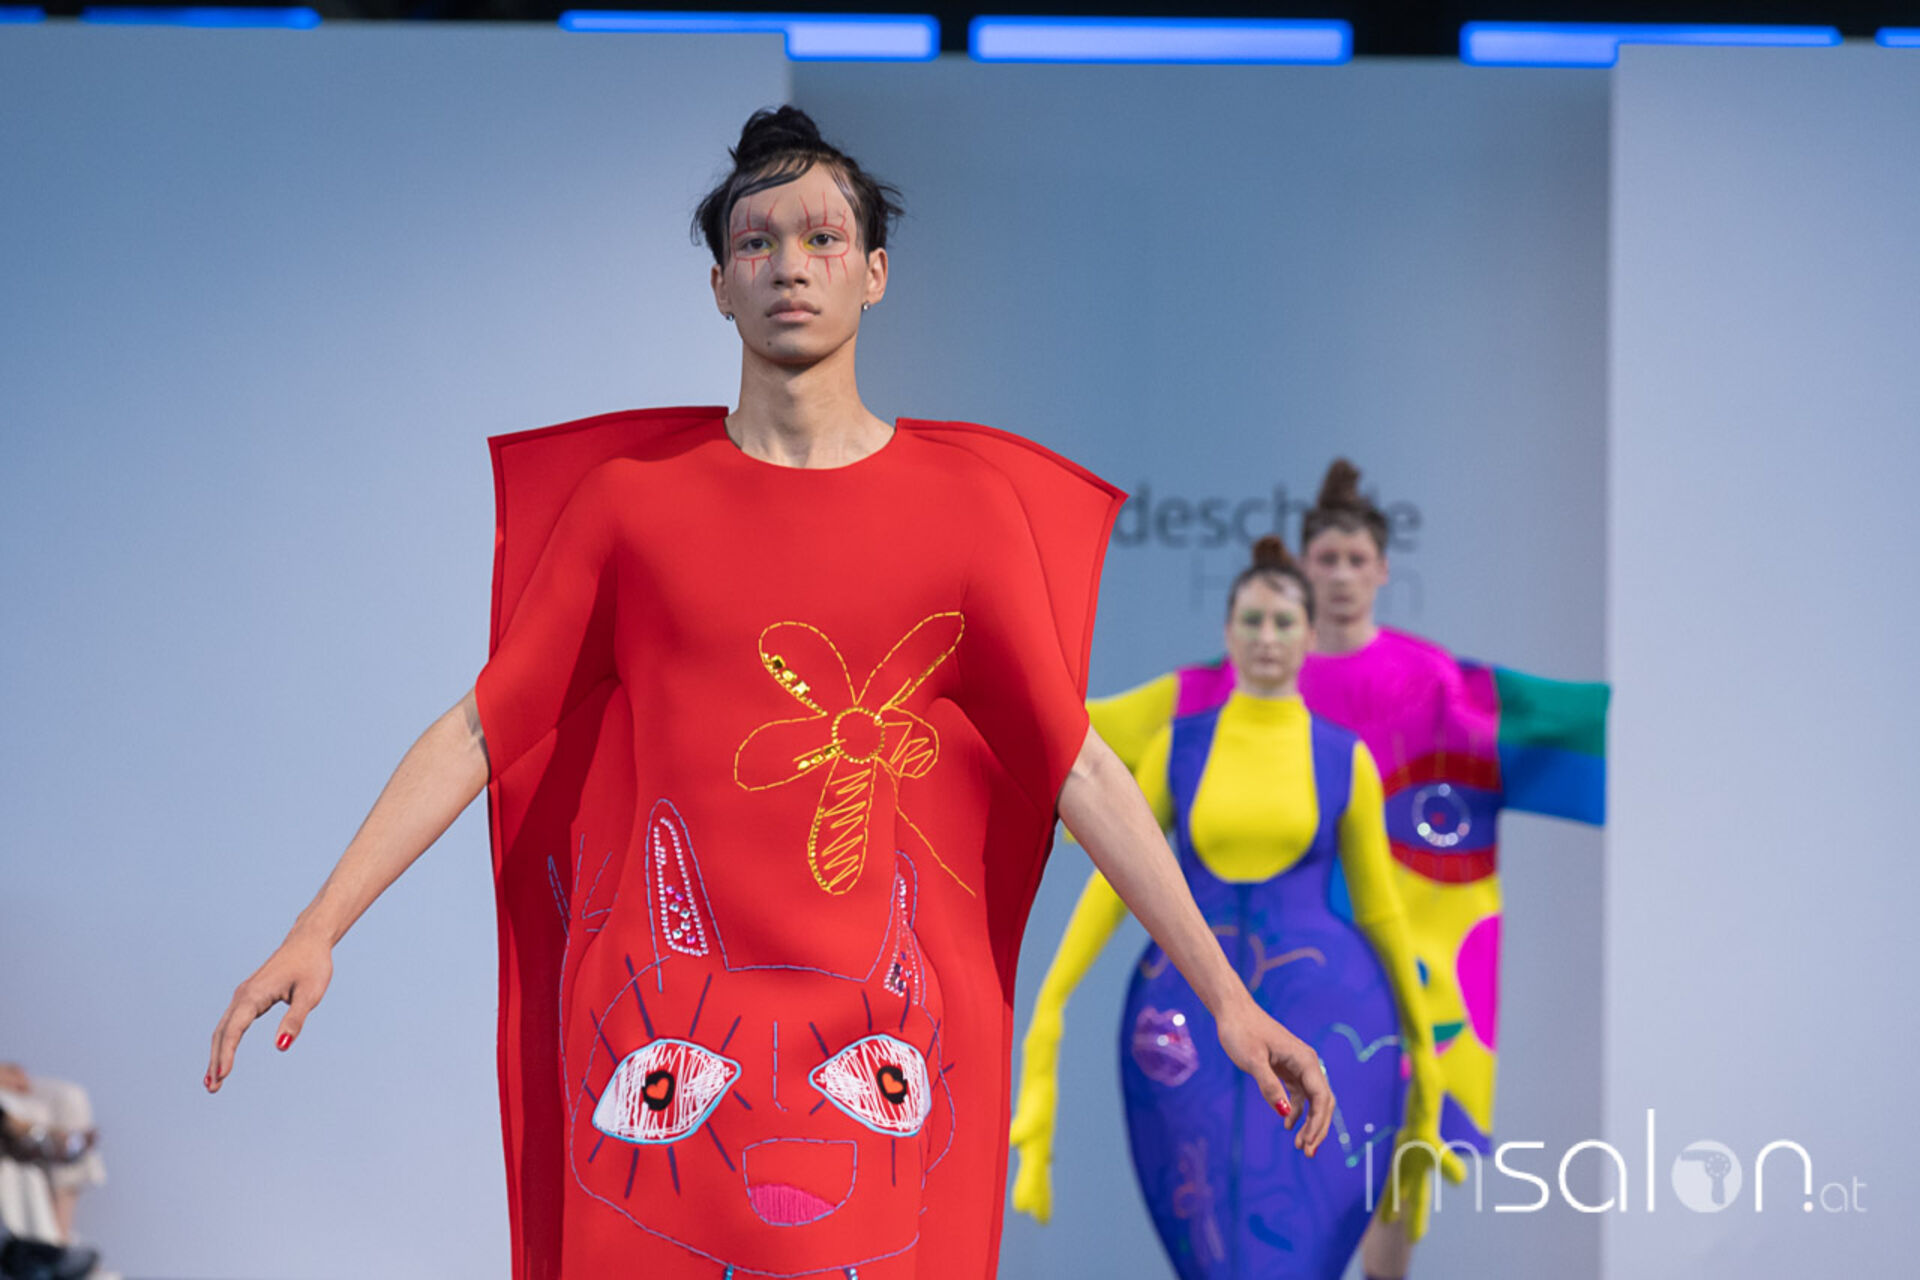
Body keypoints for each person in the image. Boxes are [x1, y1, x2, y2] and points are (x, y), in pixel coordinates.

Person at [204, 108, 1336, 1280]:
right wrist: (317, 926)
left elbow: (1077, 764)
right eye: (757, 242)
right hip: (667, 1047)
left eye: (822, 238)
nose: (790, 265)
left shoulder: (963, 514)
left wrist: (1227, 996)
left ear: (874, 273)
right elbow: (482, 729)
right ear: (720, 286)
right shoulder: (631, 506)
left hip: (868, 1047)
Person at [1080, 459, 1609, 1279]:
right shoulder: (1239, 679)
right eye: (1326, 559)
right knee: (1281, 1154)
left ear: (1383, 569)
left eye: (1357, 560)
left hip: (1408, 941)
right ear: (1303, 564)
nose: (1340, 575)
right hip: (1285, 952)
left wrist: (1656, 723)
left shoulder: (1434, 681)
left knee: (1392, 1148)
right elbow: (1103, 743)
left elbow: (1542, 729)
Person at [1009, 536, 1460, 1278]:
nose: (1267, 637)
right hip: (1187, 1015)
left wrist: (1424, 1062)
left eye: (1284, 622)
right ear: (1227, 632)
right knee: (1203, 1222)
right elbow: (1116, 883)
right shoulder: (1179, 749)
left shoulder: (1342, 757)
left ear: (1310, 637)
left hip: (1329, 1020)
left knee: (1307, 1233)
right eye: (1251, 620)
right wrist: (1049, 1008)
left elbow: (1382, 913)